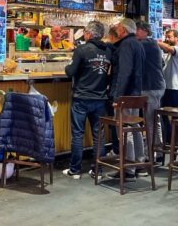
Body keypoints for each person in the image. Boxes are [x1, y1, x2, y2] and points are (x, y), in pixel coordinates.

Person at [62, 21, 112, 180]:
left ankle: (75, 170)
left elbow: (70, 72)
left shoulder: (82, 49)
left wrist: (67, 66)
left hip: (81, 98)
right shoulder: (108, 51)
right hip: (100, 98)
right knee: (99, 135)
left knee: (78, 134)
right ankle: (97, 170)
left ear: (88, 34)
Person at [108, 18, 145, 180]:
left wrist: (118, 96)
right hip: (136, 93)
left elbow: (124, 72)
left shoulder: (126, 45)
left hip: (126, 94)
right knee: (135, 127)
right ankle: (139, 163)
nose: (116, 29)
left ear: (123, 29)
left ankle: (128, 168)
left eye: (118, 27)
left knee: (124, 130)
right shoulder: (137, 44)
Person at [136, 20, 165, 161]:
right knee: (154, 120)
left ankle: (149, 155)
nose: (135, 33)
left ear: (145, 31)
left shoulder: (145, 43)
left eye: (137, 30)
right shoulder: (153, 43)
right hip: (156, 85)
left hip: (151, 87)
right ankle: (157, 152)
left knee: (150, 121)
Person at [158, 29, 178, 143]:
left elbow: (168, 48)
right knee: (163, 114)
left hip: (177, 89)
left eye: (169, 37)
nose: (167, 39)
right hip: (168, 88)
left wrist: (154, 42)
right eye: (166, 37)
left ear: (177, 38)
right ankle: (170, 138)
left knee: (176, 116)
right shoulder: (168, 55)